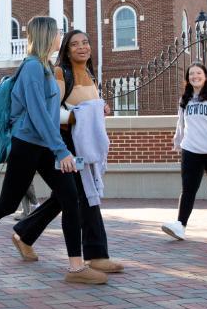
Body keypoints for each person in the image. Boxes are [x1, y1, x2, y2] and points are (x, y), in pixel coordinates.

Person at [0, 16, 105, 285]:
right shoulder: (32, 67)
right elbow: (38, 114)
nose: (60, 37)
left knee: (71, 196)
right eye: (57, 32)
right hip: (27, 145)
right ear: (46, 36)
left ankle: (76, 267)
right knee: (7, 204)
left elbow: (49, 113)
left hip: (41, 145)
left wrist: (57, 147)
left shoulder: (44, 67)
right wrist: (60, 150)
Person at [11, 30, 124, 274]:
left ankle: (25, 233)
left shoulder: (91, 75)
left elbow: (86, 106)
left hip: (84, 143)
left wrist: (99, 108)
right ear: (66, 50)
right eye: (75, 44)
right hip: (66, 144)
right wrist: (79, 116)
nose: (82, 47)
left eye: (85, 42)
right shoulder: (62, 73)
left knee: (68, 197)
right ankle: (96, 255)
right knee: (85, 195)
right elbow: (52, 111)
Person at [162, 62, 207, 240]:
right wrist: (178, 142)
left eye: (199, 73)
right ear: (187, 78)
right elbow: (181, 123)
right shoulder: (185, 98)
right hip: (191, 149)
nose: (195, 76)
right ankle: (180, 225)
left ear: (206, 76)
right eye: (191, 74)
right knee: (188, 189)